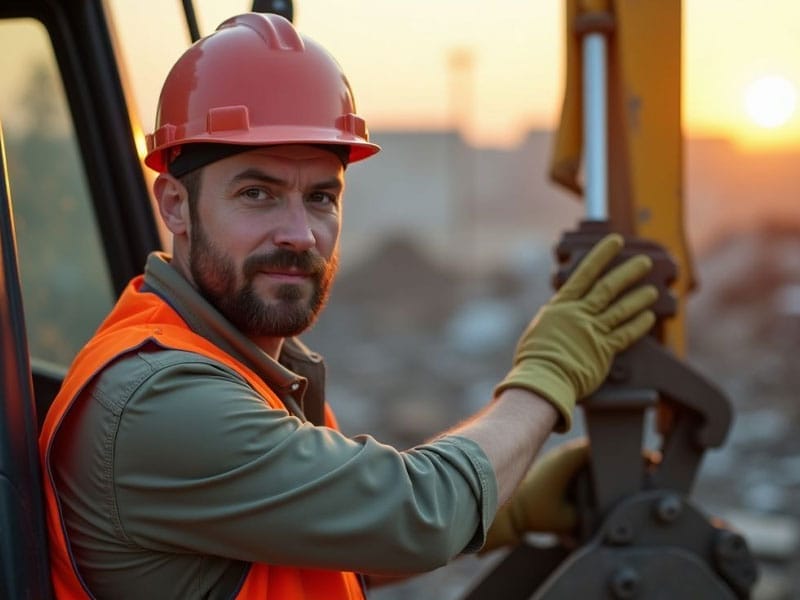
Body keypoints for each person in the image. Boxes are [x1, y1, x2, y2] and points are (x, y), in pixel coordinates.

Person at [39, 12, 658, 600]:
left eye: (321, 197)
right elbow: (417, 514)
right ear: (174, 205)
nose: (299, 233)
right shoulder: (160, 399)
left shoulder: (249, 370)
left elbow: (326, 544)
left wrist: (511, 509)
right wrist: (547, 375)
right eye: (257, 193)